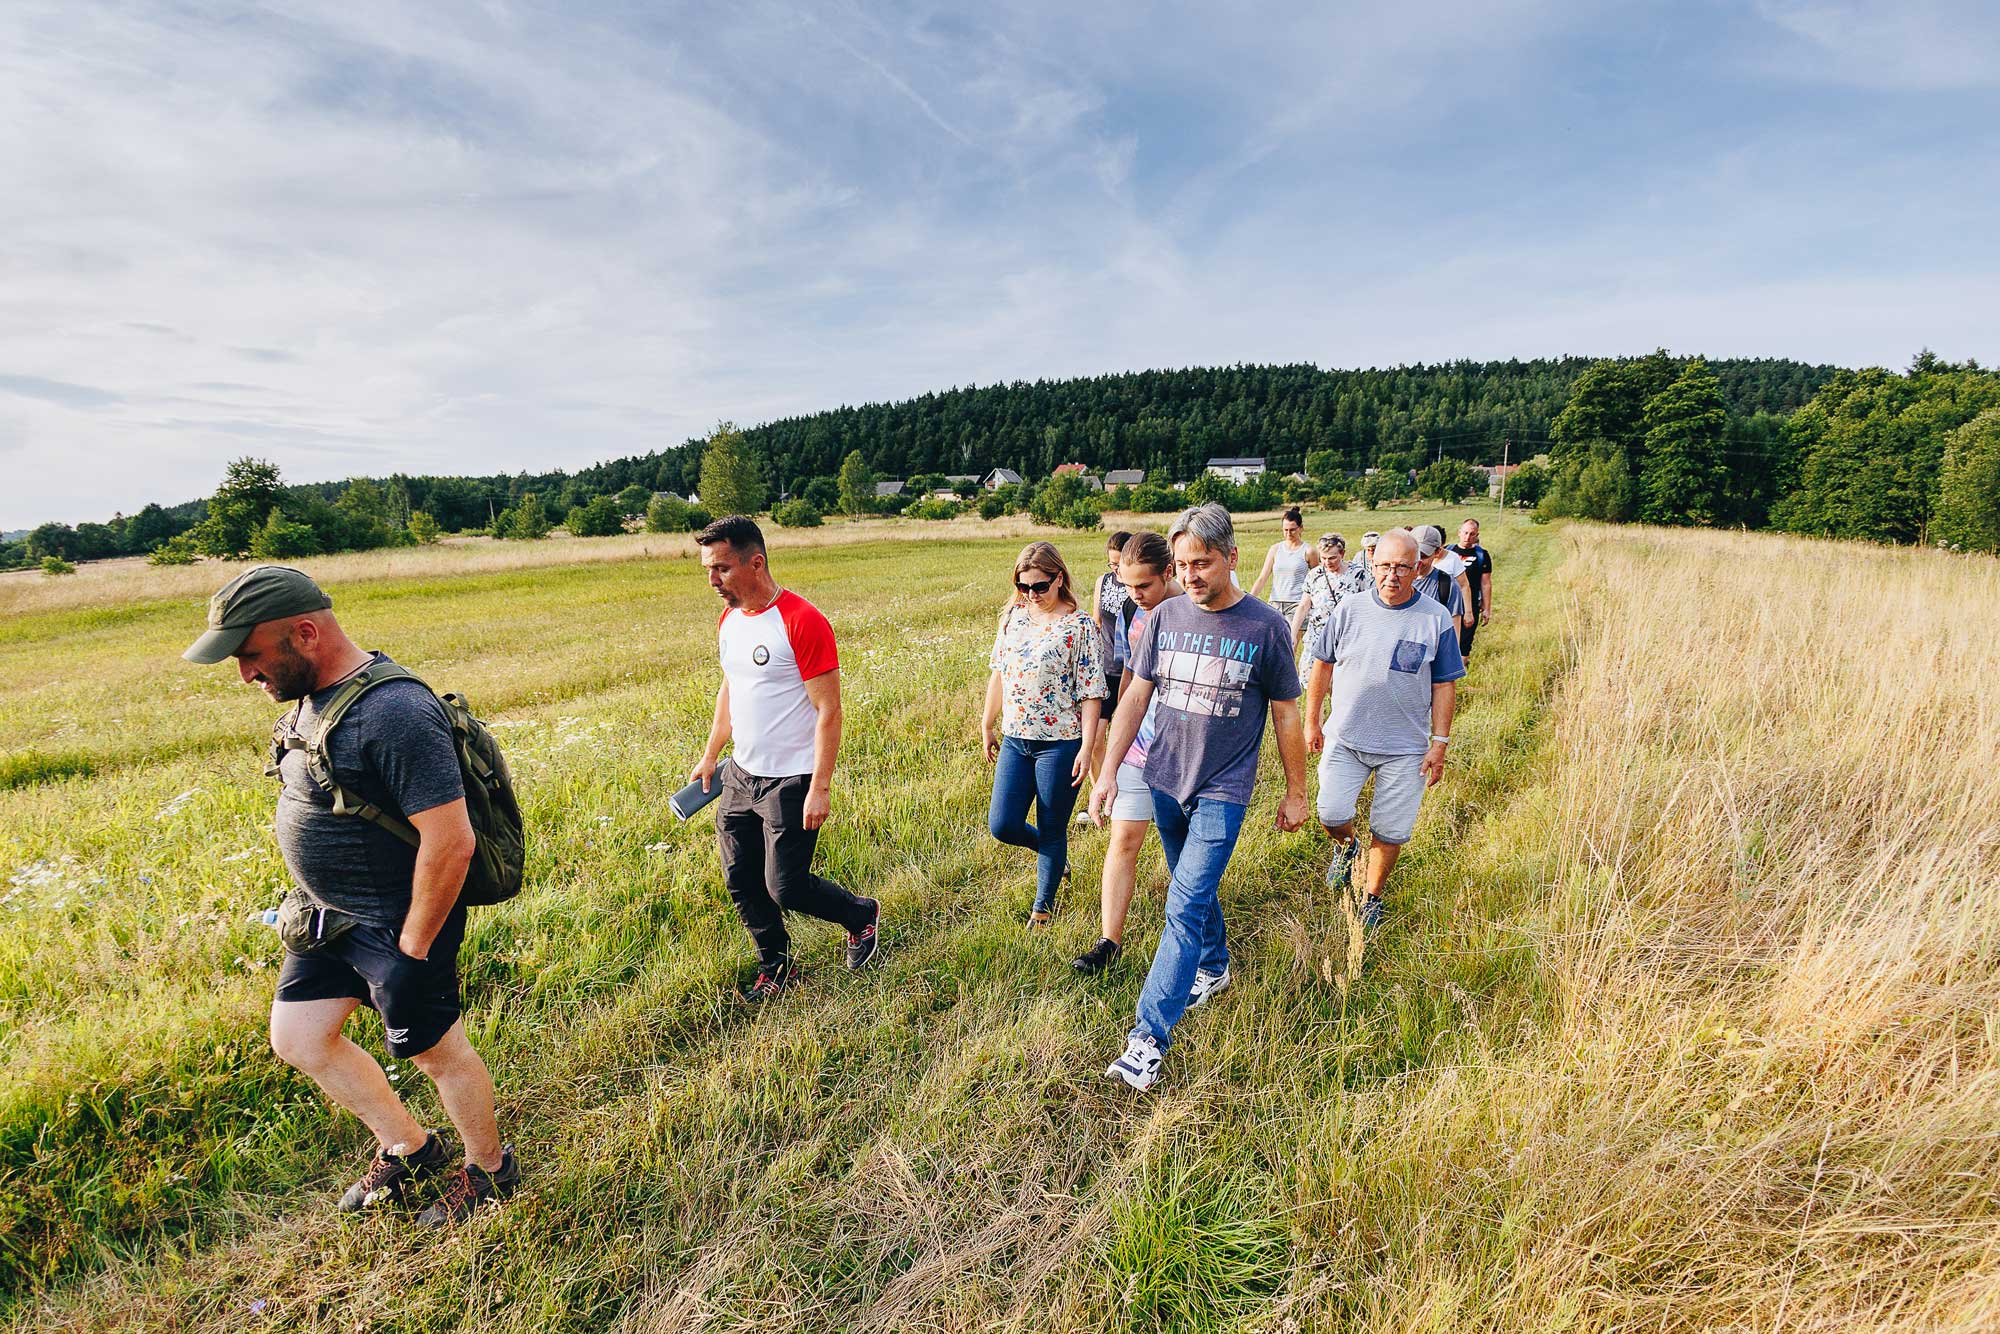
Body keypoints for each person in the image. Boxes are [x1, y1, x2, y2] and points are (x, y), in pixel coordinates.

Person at [182, 565, 516, 1226]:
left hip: (397, 925)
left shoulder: (396, 713)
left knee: (437, 1054)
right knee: (300, 1038)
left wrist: (412, 950)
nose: (245, 674)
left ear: (305, 634)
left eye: (251, 655)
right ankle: (410, 1146)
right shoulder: (314, 694)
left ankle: (490, 1169)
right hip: (326, 919)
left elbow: (452, 842)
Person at [1096, 505, 1308, 1090]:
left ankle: (1145, 1039)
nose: (1191, 575)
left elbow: (1287, 715)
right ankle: (1213, 967)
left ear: (1232, 558)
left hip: (1225, 788)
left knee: (1184, 903)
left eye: (1202, 563)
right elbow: (1135, 697)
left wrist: (1296, 791)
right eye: (1183, 564)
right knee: (1192, 887)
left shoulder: (1265, 627)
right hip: (1165, 777)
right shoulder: (1164, 617)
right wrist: (1109, 771)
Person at [690, 515, 880, 1002]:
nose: (713, 580)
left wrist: (820, 785)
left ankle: (860, 915)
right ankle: (775, 964)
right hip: (740, 774)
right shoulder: (729, 620)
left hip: (790, 779)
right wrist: (712, 753)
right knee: (739, 878)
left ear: (756, 563)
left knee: (786, 886)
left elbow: (830, 709)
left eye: (722, 569)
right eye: (708, 569)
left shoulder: (802, 621)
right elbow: (731, 687)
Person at [1303, 528, 1464, 933]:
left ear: (1418, 569)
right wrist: (1312, 719)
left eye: (1402, 568)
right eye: (1385, 566)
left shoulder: (1435, 618)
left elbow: (1445, 683)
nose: (1392, 575)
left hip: (1405, 747)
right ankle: (1347, 846)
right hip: (1346, 737)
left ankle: (1372, 897)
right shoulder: (1349, 610)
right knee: (1331, 812)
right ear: (1371, 565)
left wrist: (1439, 743)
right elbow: (1321, 664)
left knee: (1390, 830)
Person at [1072, 532, 1182, 975]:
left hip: (1184, 753)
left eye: (1143, 586)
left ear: (1168, 573)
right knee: (1124, 840)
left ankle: (1191, 938)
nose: (1133, 595)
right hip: (1140, 745)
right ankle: (1108, 941)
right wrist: (1110, 763)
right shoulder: (1135, 610)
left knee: (1183, 853)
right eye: (1127, 584)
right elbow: (1130, 685)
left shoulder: (1196, 609)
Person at [983, 540, 1105, 929]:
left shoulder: (1080, 626)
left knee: (1053, 826)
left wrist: (1087, 747)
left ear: (1059, 579)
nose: (1031, 594)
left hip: (1061, 743)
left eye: (1039, 586)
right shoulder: (1013, 617)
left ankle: (1043, 906)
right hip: (1016, 739)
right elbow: (999, 672)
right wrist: (987, 722)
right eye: (1024, 586)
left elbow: (1090, 692)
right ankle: (1055, 855)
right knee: (1002, 825)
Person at [1082, 531, 1135, 822]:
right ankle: (1101, 799)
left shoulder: (1137, 584)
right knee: (1094, 740)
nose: (1115, 570)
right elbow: (1096, 622)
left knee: (1127, 740)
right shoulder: (1103, 582)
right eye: (1111, 564)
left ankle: (1132, 796)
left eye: (1119, 564)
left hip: (1130, 672)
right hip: (1103, 672)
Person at [1290, 532, 1365, 658]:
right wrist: (1292, 633)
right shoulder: (1314, 575)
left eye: (1332, 558)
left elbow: (1365, 606)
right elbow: (1303, 607)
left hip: (1346, 639)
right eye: (1323, 558)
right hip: (1317, 638)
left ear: (1342, 554)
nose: (1327, 562)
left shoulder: (1358, 574)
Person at [1248, 506, 1311, 619]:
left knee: (1291, 636)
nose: (1288, 533)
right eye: (1285, 530)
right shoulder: (1275, 549)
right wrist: (1249, 601)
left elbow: (1316, 580)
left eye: (1292, 530)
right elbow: (1262, 578)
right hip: (1275, 603)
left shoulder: (1309, 551)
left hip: (1297, 603)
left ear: (1301, 528)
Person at [1447, 517, 1494, 658]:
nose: (1468, 537)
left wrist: (1487, 608)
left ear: (1477, 536)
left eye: (1472, 534)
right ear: (1459, 532)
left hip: (1470, 605)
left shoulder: (1481, 556)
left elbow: (1486, 583)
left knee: (1464, 644)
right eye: (1465, 533)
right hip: (1448, 603)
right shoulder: (1448, 552)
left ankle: (1461, 674)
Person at [1416, 525, 1473, 632]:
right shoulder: (1395, 580)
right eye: (1415, 554)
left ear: (1437, 552)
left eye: (1424, 556)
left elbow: (1454, 635)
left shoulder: (1448, 585)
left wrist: (1468, 612)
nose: (1418, 561)